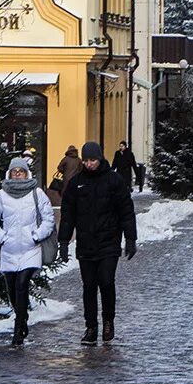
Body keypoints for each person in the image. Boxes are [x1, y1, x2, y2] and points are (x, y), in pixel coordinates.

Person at [59, 141, 137, 346]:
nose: (89, 164)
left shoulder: (114, 180)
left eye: (92, 160)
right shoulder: (76, 183)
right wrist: (64, 241)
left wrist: (130, 238)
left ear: (100, 158)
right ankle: (91, 326)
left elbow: (126, 211)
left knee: (107, 282)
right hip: (86, 243)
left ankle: (108, 321)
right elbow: (68, 215)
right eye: (86, 160)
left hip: (109, 242)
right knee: (89, 287)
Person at [0, 156, 56, 347]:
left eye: (21, 171)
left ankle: (18, 331)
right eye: (15, 172)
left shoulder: (37, 193)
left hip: (30, 249)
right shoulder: (1, 195)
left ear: (27, 173)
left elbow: (49, 219)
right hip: (9, 250)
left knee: (22, 284)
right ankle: (22, 317)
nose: (18, 175)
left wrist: (36, 235)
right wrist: (2, 237)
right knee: (12, 289)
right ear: (10, 173)